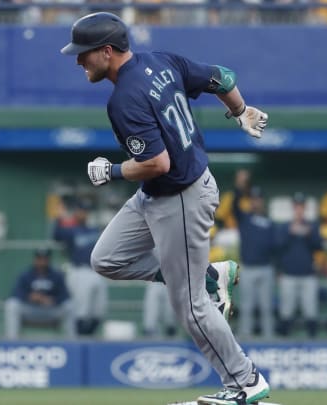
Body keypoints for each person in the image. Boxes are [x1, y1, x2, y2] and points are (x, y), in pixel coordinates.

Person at [60, 12, 270, 405]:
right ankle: (207, 275)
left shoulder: (124, 98)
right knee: (106, 259)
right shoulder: (162, 60)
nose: (78, 61)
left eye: (84, 53)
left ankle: (246, 382)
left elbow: (158, 163)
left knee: (189, 306)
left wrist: (112, 170)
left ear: (106, 51)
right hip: (160, 194)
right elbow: (222, 77)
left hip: (181, 197)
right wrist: (240, 111)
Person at [53, 199, 108, 336]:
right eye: (81, 211)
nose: (84, 213)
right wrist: (59, 217)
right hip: (79, 271)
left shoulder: (94, 230)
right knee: (81, 311)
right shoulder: (71, 231)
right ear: (76, 213)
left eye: (86, 211)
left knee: (98, 311)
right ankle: (78, 341)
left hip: (97, 271)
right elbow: (56, 235)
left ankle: (88, 340)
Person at [232, 181, 277, 339]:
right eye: (253, 198)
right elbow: (234, 206)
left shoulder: (269, 222)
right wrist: (239, 187)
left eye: (258, 198)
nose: (256, 201)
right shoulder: (244, 218)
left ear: (262, 201)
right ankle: (246, 336)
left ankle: (268, 337)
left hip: (266, 268)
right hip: (248, 268)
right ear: (250, 200)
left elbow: (275, 247)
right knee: (247, 306)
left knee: (266, 307)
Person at [276, 192, 322, 338]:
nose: (299, 209)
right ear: (293, 208)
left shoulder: (312, 226)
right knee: (286, 311)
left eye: (301, 206)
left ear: (304, 208)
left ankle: (313, 345)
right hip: (288, 274)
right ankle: (284, 345)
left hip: (308, 275)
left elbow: (319, 246)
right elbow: (277, 246)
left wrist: (309, 234)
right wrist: (290, 232)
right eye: (296, 206)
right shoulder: (284, 227)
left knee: (311, 311)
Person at [4, 248, 76, 340]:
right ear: (35, 259)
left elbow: (65, 296)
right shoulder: (26, 275)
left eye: (44, 259)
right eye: (39, 259)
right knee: (12, 304)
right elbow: (16, 293)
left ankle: (72, 342)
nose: (42, 262)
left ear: (48, 260)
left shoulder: (57, 275)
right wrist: (30, 297)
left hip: (51, 310)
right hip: (31, 310)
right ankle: (12, 342)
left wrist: (51, 300)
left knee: (69, 306)